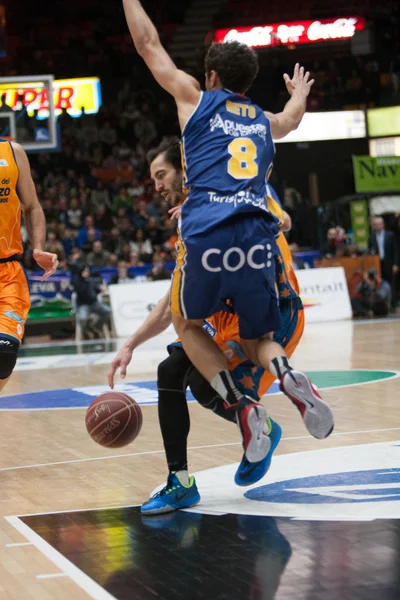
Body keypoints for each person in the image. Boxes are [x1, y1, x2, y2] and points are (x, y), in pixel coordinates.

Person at [123, 0, 316, 467]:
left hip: (208, 230)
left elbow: (148, 45)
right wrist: (299, 93)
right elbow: (291, 120)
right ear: (247, 83)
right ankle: (286, 372)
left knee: (186, 324)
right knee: (257, 339)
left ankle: (242, 404)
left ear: (210, 77)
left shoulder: (195, 100)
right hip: (256, 236)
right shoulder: (263, 120)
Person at [108, 140, 332, 514]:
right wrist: (130, 344)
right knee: (177, 369)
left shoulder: (211, 203)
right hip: (235, 308)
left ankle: (204, 462)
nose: (158, 186)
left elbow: (281, 219)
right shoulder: (205, 209)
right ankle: (252, 421)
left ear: (184, 167)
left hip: (270, 305)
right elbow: (174, 298)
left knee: (195, 372)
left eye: (162, 175)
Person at [0, 140, 58, 392]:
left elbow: (32, 206)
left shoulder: (13, 152)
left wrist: (37, 247)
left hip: (7, 272)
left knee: (3, 354)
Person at [71, 265, 111, 338]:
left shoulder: (91, 281)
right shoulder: (78, 282)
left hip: (94, 304)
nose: (87, 272)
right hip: (83, 305)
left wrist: (101, 288)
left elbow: (96, 289)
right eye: (85, 271)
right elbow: (81, 291)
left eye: (87, 271)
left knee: (107, 311)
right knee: (83, 318)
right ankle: (86, 330)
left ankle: (96, 326)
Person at [368, 216, 399, 309]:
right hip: (378, 263)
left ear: (383, 225)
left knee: (391, 283)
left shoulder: (391, 235)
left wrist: (396, 264)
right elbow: (370, 252)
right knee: (380, 283)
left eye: (379, 224)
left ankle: (393, 304)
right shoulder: (371, 237)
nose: (378, 226)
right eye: (375, 224)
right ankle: (383, 305)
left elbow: (396, 250)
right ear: (373, 226)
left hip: (389, 263)